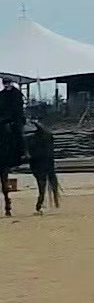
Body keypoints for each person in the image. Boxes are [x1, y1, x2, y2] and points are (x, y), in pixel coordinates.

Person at [0, 77, 25, 219]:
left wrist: (10, 118)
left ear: (11, 83)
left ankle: (23, 152)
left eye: (8, 83)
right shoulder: (1, 95)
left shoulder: (17, 94)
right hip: (3, 120)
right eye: (5, 84)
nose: (7, 85)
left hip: (16, 120)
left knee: (17, 133)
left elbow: (17, 108)